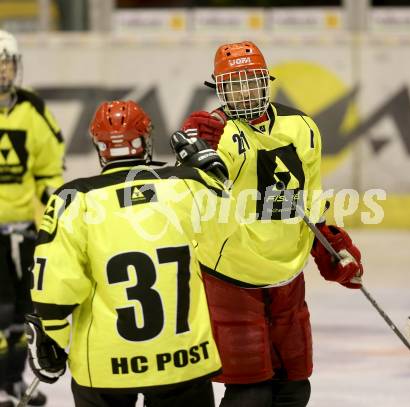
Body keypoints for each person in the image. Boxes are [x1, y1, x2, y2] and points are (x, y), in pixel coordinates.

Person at [24, 100, 291, 407]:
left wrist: (50, 336)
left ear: (100, 147)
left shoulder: (73, 198)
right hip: (184, 359)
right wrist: (214, 177)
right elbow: (234, 236)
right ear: (146, 141)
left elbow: (54, 287)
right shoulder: (187, 184)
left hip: (105, 365)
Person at [178, 41, 364, 407]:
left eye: (251, 81)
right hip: (232, 275)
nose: (245, 92)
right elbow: (192, 199)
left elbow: (310, 199)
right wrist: (194, 157)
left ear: (266, 82)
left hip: (287, 276)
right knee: (251, 392)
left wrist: (329, 245)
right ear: (219, 90)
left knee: (295, 388)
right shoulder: (213, 134)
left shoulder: (302, 127)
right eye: (234, 85)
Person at [0, 30, 65, 407]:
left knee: (28, 307)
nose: (3, 73)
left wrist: (49, 207)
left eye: (7, 64)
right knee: (0, 308)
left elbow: (48, 169)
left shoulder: (34, 109)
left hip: (26, 227)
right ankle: (4, 380)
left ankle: (16, 381)